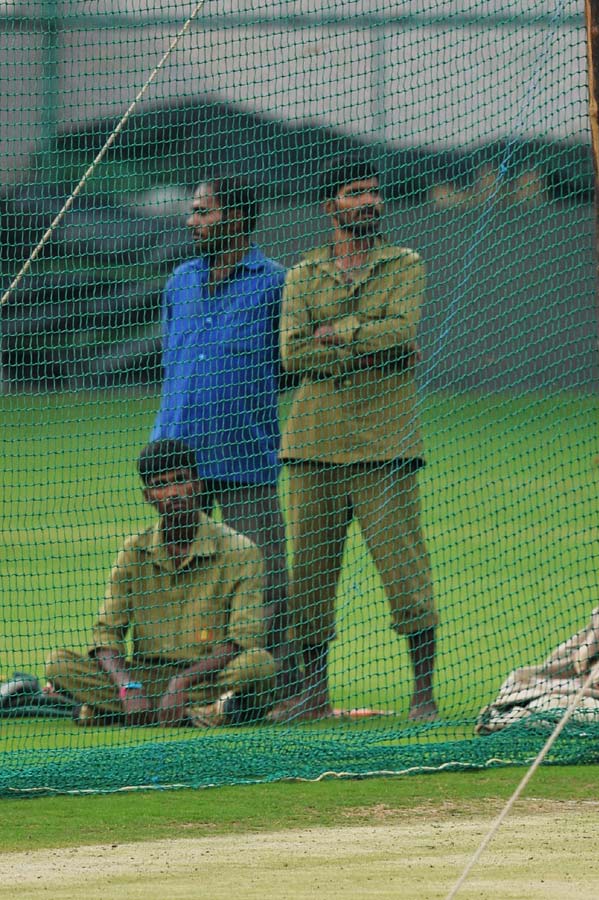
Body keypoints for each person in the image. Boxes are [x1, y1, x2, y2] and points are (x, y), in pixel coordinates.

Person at [272, 153, 438, 723]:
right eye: (353, 193)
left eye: (372, 192)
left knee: (404, 571)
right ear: (330, 206)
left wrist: (337, 331)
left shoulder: (405, 264)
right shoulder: (303, 273)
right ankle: (314, 693)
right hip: (312, 445)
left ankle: (424, 695)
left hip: (383, 446)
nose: (367, 201)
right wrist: (367, 341)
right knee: (309, 579)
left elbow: (402, 332)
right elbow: (292, 353)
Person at [150, 173, 298, 700]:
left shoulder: (276, 281)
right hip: (176, 460)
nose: (192, 221)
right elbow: (173, 360)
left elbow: (289, 367)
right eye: (193, 211)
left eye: (203, 211)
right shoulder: (180, 281)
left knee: (264, 581)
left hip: (243, 455)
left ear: (235, 218)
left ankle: (274, 687)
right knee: (182, 580)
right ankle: (187, 685)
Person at [44, 440, 276, 727]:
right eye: (161, 485)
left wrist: (181, 682)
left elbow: (244, 638)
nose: (174, 493)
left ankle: (120, 713)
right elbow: (106, 636)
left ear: (198, 484)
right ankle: (199, 715)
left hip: (206, 676)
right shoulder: (133, 551)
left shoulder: (241, 551)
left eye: (181, 480)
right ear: (148, 496)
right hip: (145, 676)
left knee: (258, 665)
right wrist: (128, 685)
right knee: (59, 664)